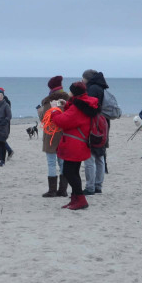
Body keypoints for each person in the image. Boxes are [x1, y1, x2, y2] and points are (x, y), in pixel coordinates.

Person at [50, 82, 99, 211]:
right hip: (79, 143)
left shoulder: (78, 108)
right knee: (73, 172)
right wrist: (66, 104)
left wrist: (54, 109)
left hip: (74, 144)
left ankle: (81, 199)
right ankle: (75, 198)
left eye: (71, 91)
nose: (69, 93)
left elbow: (63, 121)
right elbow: (74, 114)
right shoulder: (82, 104)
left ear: (75, 93)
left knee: (69, 172)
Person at [37, 75, 70, 197]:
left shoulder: (47, 101)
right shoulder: (67, 100)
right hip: (64, 134)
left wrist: (40, 113)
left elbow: (44, 120)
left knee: (51, 163)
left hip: (51, 135)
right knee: (62, 163)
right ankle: (63, 190)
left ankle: (52, 190)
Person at [82, 70, 111, 195]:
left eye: (83, 78)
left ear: (87, 78)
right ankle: (98, 185)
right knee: (100, 156)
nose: (82, 81)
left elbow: (90, 108)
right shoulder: (101, 87)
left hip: (93, 125)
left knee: (90, 157)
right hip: (104, 124)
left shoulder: (92, 89)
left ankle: (90, 187)